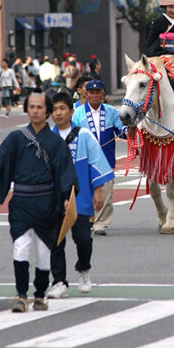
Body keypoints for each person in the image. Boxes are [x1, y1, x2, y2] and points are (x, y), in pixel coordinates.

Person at [0, 93, 76, 313]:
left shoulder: (56, 143)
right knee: (20, 248)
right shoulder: (15, 138)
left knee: (43, 253)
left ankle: (40, 294)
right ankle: (21, 295)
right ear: (26, 109)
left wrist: (66, 197)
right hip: (21, 202)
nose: (35, 110)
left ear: (47, 111)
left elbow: (65, 172)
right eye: (31, 106)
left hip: (45, 204)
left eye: (39, 107)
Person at [48, 93, 113, 298]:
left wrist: (98, 191)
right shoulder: (47, 138)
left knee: (83, 239)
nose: (58, 113)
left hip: (81, 196)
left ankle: (83, 268)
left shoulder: (84, 135)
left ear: (71, 111)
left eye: (62, 108)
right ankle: (59, 282)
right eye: (54, 109)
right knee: (55, 241)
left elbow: (96, 163)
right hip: (53, 197)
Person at [70, 78, 126, 236]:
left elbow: (121, 132)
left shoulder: (112, 111)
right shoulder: (78, 113)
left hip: (106, 159)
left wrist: (132, 130)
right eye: (91, 92)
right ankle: (87, 218)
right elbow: (72, 135)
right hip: (84, 159)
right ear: (86, 94)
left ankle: (101, 223)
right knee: (85, 190)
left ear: (103, 94)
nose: (94, 95)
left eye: (97, 92)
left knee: (106, 192)